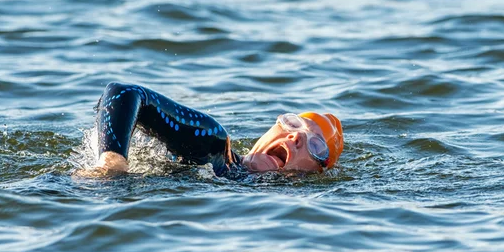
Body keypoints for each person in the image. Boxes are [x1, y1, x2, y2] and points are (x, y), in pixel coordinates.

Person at [78, 82, 344, 177]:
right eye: (293, 123)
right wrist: (111, 163)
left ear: (316, 174)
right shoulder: (213, 146)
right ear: (268, 133)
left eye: (315, 145)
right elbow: (124, 93)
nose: (296, 136)